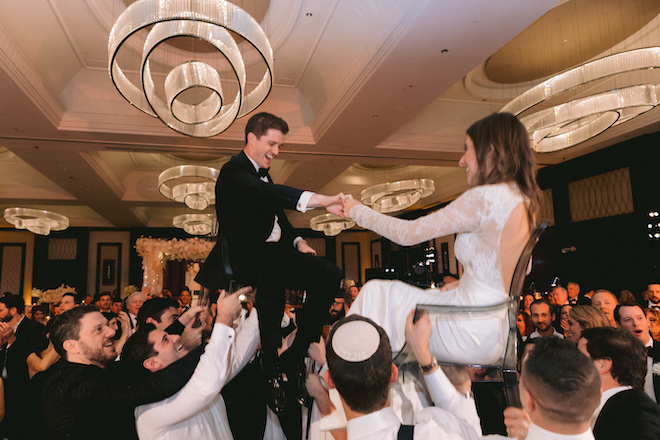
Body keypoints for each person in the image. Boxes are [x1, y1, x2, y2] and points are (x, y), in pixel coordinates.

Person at [343, 112, 541, 365]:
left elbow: (407, 234)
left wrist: (357, 211)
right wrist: (458, 286)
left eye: (467, 149)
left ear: (489, 151)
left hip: (468, 329)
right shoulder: (525, 202)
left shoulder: (486, 198)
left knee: (375, 292)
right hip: (497, 331)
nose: (461, 161)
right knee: (391, 295)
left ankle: (347, 379)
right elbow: (506, 276)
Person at [208, 112, 344, 418]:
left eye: (280, 145)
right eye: (272, 143)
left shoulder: (263, 172)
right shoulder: (233, 171)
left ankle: (295, 354)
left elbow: (279, 219)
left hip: (274, 255)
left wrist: (298, 242)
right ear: (252, 139)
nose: (276, 151)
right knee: (270, 266)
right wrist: (322, 200)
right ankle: (270, 364)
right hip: (244, 259)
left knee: (331, 274)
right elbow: (269, 194)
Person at [38, 305, 205, 440]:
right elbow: (156, 386)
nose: (111, 332)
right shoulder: (75, 388)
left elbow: (135, 356)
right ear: (72, 346)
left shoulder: (92, 370)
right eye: (98, 330)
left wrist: (182, 322)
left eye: (107, 325)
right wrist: (211, 344)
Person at [126, 288, 260, 440]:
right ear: (153, 362)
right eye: (165, 340)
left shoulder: (196, 373)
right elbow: (205, 387)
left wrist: (260, 303)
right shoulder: (149, 411)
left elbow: (240, 353)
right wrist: (224, 319)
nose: (176, 337)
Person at [325, 314, 481, 439]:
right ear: (393, 374)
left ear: (329, 380)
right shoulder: (431, 434)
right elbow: (470, 433)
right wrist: (425, 357)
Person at [579, 327, 660, 440]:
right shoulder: (592, 405)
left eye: (579, 357)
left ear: (602, 365)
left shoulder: (636, 410)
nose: (572, 363)